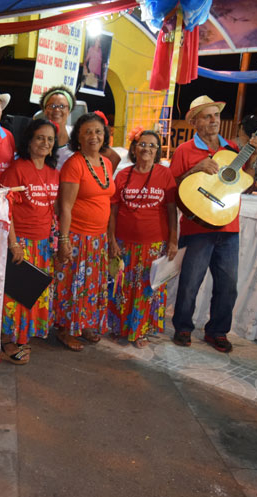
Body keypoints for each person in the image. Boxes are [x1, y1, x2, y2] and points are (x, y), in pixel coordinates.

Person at [169, 95, 257, 353]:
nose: (214, 121)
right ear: (194, 122)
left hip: (228, 226)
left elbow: (248, 183)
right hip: (197, 226)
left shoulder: (234, 149)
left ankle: (218, 331)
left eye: (216, 115)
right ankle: (183, 327)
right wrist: (195, 169)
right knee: (190, 282)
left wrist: (255, 156)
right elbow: (173, 187)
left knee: (228, 285)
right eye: (207, 116)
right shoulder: (184, 150)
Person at [108, 130, 178, 348]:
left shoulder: (165, 175)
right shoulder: (122, 175)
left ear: (157, 151)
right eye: (142, 144)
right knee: (122, 287)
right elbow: (112, 211)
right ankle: (120, 327)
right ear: (134, 148)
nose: (147, 148)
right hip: (124, 242)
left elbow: (171, 210)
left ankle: (140, 330)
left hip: (155, 243)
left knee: (146, 289)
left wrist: (173, 240)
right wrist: (111, 239)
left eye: (152, 145)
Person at [54, 112, 116, 352]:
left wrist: (109, 236)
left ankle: (86, 324)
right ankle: (65, 330)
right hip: (78, 236)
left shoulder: (107, 162)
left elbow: (107, 201)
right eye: (88, 132)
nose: (93, 136)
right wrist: (64, 239)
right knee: (73, 285)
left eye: (98, 132)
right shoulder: (74, 164)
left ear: (105, 136)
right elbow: (65, 206)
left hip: (98, 238)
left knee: (92, 284)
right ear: (78, 136)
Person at [0, 119, 60, 363]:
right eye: (40, 138)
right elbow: (6, 209)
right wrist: (13, 244)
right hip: (21, 244)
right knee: (16, 297)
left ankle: (24, 339)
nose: (45, 143)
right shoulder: (17, 169)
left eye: (50, 139)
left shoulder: (53, 172)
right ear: (29, 141)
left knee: (34, 295)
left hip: (43, 244)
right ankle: (9, 342)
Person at [40, 86, 76, 170]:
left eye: (62, 106)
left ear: (69, 110)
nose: (56, 110)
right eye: (52, 106)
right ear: (45, 110)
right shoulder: (35, 136)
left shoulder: (77, 135)